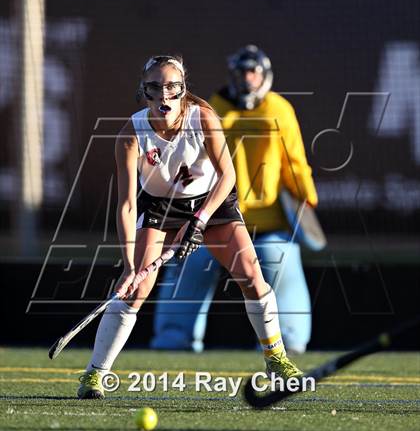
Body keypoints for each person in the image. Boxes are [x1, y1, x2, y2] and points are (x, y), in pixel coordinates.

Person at [77, 54, 303, 399]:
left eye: (172, 88)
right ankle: (95, 373)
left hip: (212, 202)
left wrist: (199, 220)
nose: (164, 96)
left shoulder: (205, 118)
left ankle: (276, 359)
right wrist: (127, 265)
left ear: (183, 90)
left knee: (252, 276)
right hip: (160, 208)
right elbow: (126, 205)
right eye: (155, 88)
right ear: (145, 91)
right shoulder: (130, 134)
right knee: (135, 288)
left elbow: (228, 176)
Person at [151, 46, 318, 354]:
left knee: (281, 268)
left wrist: (306, 197)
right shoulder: (211, 109)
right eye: (242, 72)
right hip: (215, 221)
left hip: (268, 226)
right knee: (190, 267)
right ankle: (173, 338)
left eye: (253, 71)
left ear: (264, 74)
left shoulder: (278, 110)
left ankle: (288, 342)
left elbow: (294, 164)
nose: (247, 78)